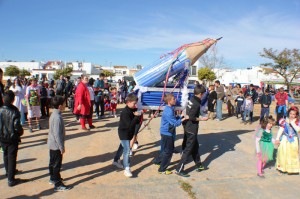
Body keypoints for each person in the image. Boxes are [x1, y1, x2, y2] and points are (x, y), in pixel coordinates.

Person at [175, 85, 208, 177]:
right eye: (204, 94)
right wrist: (202, 119)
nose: (204, 95)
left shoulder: (192, 99)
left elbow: (187, 113)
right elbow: (192, 117)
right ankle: (179, 169)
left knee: (195, 147)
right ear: (201, 94)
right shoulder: (196, 104)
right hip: (191, 128)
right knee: (188, 149)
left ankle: (199, 165)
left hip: (187, 127)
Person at [0, 91, 25, 187]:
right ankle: (11, 179)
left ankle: (8, 172)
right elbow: (16, 126)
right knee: (12, 157)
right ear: (13, 100)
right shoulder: (14, 110)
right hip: (12, 138)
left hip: (2, 137)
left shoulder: (0, 109)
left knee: (5, 155)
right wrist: (20, 132)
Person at [158, 93, 187, 175]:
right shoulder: (168, 111)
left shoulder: (170, 109)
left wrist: (180, 116)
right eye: (174, 99)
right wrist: (184, 119)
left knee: (165, 150)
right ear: (169, 101)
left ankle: (157, 161)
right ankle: (162, 169)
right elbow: (175, 123)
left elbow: (173, 119)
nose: (175, 100)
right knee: (168, 152)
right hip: (167, 134)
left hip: (166, 132)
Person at [112, 93, 140, 177]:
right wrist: (136, 117)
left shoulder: (132, 110)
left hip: (129, 133)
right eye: (134, 103)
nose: (135, 105)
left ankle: (116, 160)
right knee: (127, 150)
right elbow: (129, 125)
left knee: (122, 146)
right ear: (128, 102)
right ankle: (127, 168)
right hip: (124, 133)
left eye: (136, 103)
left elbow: (136, 122)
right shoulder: (125, 112)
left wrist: (138, 117)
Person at [48, 95, 71, 191]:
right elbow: (57, 134)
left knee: (52, 162)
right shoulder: (57, 117)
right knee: (57, 164)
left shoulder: (54, 114)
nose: (65, 105)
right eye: (64, 104)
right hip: (56, 145)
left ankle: (53, 178)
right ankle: (57, 184)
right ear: (59, 106)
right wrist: (61, 147)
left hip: (52, 144)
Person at [275, 106, 300, 174]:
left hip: (294, 139)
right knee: (283, 152)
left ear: (296, 115)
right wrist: (277, 138)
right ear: (288, 113)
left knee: (292, 154)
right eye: (290, 113)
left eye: (293, 114)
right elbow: (281, 129)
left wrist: (292, 122)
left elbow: (298, 130)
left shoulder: (297, 122)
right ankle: (282, 167)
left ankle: (292, 169)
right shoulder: (284, 120)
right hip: (285, 138)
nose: (292, 115)